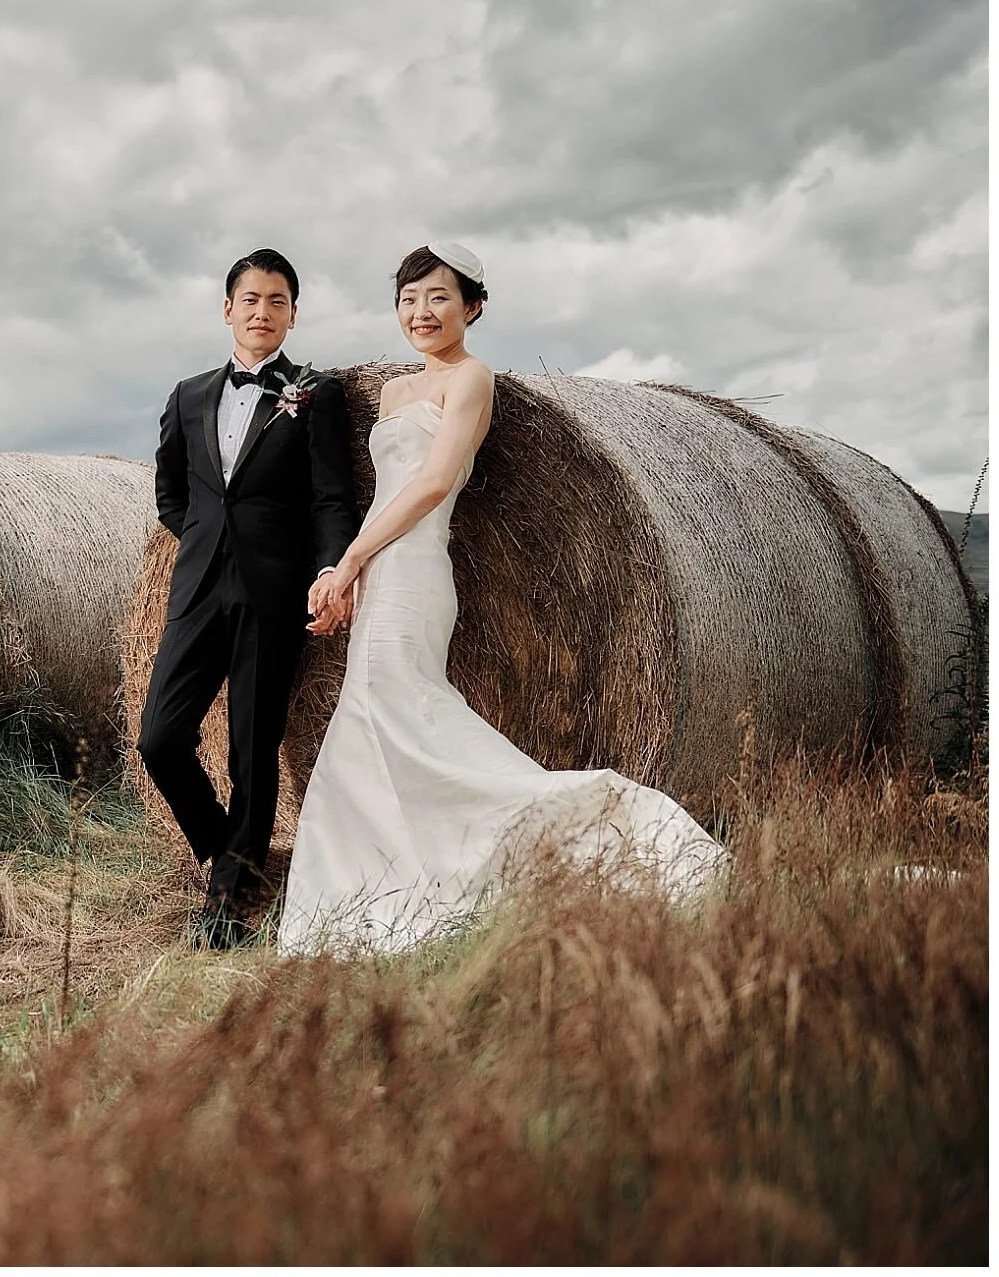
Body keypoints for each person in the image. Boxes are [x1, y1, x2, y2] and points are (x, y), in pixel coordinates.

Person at [280, 243, 726, 956]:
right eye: (408, 299)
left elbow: (429, 485)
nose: (421, 312)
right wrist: (343, 572)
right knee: (374, 727)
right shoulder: (393, 394)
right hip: (376, 569)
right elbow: (384, 492)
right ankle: (381, 896)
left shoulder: (472, 379)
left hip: (418, 569)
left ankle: (583, 824)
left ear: (472, 307)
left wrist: (357, 557)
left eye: (438, 298)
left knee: (397, 717)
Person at [137, 247, 360, 950]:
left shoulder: (316, 394)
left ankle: (228, 903)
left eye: (278, 301)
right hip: (198, 587)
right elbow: (171, 492)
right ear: (227, 308)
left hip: (274, 592)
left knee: (251, 752)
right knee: (161, 739)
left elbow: (331, 497)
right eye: (251, 299)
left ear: (293, 315)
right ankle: (228, 856)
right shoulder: (188, 394)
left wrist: (328, 568)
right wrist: (209, 539)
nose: (262, 312)